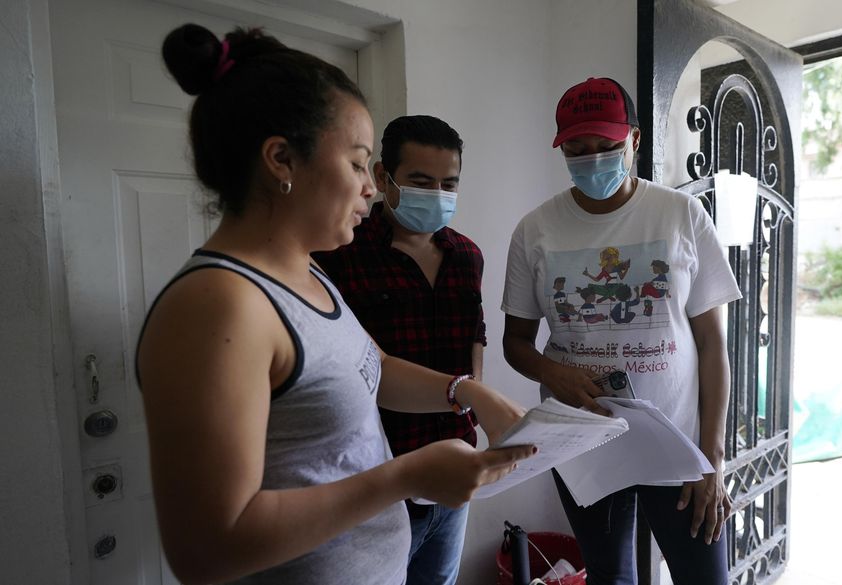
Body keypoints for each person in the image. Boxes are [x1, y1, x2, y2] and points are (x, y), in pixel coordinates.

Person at [137, 24, 535, 585]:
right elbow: (207, 549)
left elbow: (372, 368)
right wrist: (405, 478)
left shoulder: (308, 274)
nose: (370, 189)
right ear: (282, 160)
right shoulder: (216, 307)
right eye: (355, 163)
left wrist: (464, 391)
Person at [501, 77, 742, 585]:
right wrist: (555, 374)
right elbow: (515, 342)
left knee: (706, 577)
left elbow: (712, 342)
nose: (593, 161)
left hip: (679, 447)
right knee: (610, 578)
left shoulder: (681, 215)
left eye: (607, 147)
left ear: (635, 140)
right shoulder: (535, 230)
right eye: (577, 149)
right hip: (585, 443)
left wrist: (713, 458)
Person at [313, 115, 481, 585]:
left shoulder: (466, 256)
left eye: (449, 184)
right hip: (376, 478)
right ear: (384, 177)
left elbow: (475, 335)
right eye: (422, 182)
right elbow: (358, 366)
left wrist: (478, 406)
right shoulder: (339, 253)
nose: (438, 194)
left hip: (453, 469)